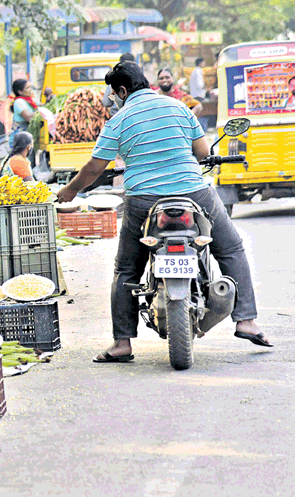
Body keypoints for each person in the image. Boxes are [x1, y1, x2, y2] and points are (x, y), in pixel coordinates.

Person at [56, 60, 272, 363]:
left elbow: (94, 168)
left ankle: (122, 343)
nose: (114, 99)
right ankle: (246, 320)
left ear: (121, 90)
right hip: (193, 194)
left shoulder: (118, 121)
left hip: (144, 201)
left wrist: (70, 190)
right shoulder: (180, 108)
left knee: (127, 269)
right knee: (231, 248)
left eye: (114, 94)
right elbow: (202, 153)